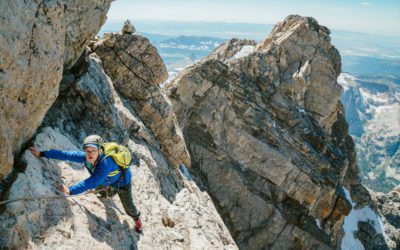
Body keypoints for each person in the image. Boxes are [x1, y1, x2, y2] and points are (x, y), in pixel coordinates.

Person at [29, 135, 143, 233]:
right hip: (106, 180)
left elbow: (92, 182)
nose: (90, 154)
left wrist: (71, 190)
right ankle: (109, 192)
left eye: (93, 150)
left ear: (100, 151)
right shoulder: (86, 157)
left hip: (122, 183)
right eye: (87, 150)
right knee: (103, 194)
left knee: (129, 207)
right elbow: (65, 154)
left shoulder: (106, 163)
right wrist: (42, 153)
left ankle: (136, 218)